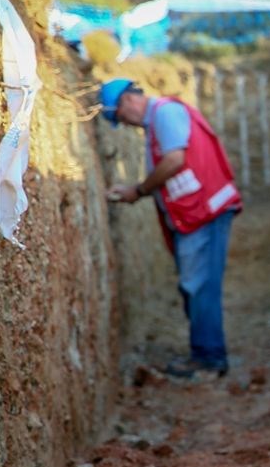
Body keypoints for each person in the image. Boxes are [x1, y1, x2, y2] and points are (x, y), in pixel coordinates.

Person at [100, 79, 242, 378]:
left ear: (127, 100)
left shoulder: (165, 113)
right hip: (197, 213)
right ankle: (205, 353)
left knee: (200, 286)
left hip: (205, 211)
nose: (123, 124)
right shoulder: (157, 122)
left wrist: (138, 191)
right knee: (195, 285)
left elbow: (175, 160)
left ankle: (209, 359)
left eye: (119, 116)